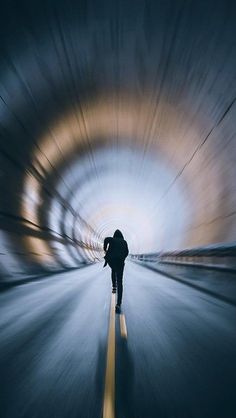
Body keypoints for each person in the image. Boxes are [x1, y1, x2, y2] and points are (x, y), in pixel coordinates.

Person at [103, 230, 129, 313]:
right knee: (120, 282)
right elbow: (127, 252)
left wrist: (105, 248)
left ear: (114, 235)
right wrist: (122, 258)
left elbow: (106, 239)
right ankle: (118, 304)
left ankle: (114, 286)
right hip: (120, 263)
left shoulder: (112, 240)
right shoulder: (124, 242)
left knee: (113, 270)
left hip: (112, 261)